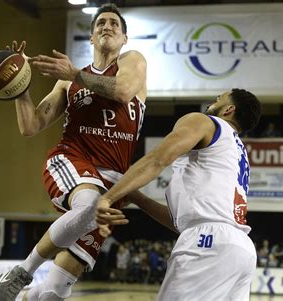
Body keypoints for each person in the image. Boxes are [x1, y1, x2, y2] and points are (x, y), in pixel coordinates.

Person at [0, 3, 147, 300]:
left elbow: (123, 91)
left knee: (53, 292)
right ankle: (22, 271)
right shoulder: (68, 82)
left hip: (114, 185)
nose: (107, 26)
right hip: (72, 159)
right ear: (90, 38)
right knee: (89, 205)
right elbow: (31, 125)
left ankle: (24, 295)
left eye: (114, 23)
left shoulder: (133, 61)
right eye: (100, 23)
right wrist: (20, 84)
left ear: (125, 38)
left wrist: (74, 73)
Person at [96, 89, 262, 300]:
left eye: (220, 97)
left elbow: (158, 158)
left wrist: (108, 197)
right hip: (240, 248)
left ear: (229, 109)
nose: (214, 99)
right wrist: (137, 197)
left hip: (209, 242)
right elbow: (184, 223)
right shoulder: (237, 153)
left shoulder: (205, 122)